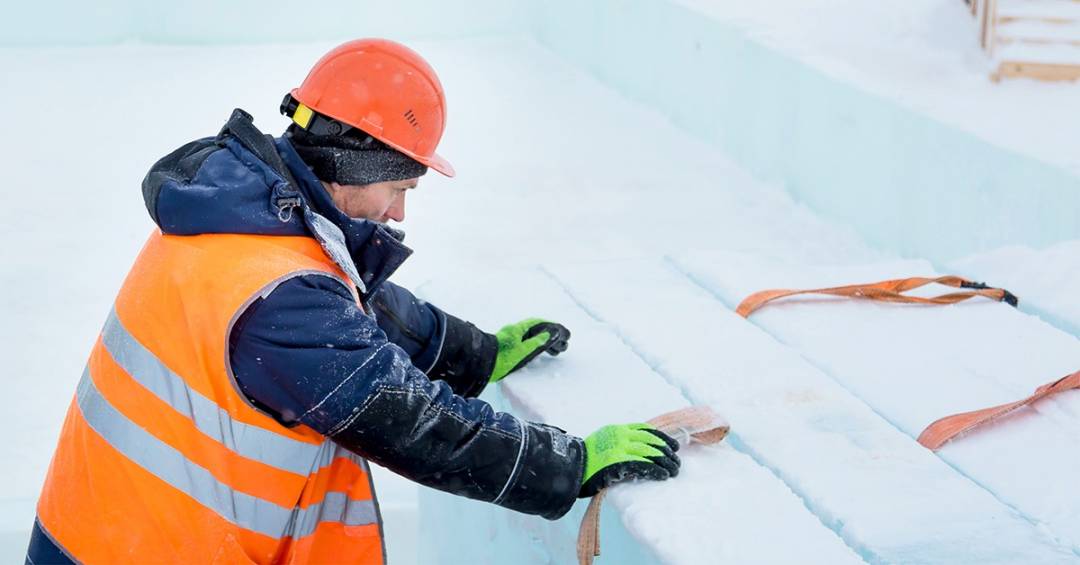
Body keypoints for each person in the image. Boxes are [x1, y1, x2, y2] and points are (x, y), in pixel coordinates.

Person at [27, 38, 681, 564]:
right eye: (400, 187)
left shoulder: (252, 218)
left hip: (106, 535)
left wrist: (474, 353)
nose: (399, 212)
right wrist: (566, 465)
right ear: (356, 163)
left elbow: (351, 303)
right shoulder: (279, 299)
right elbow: (414, 424)